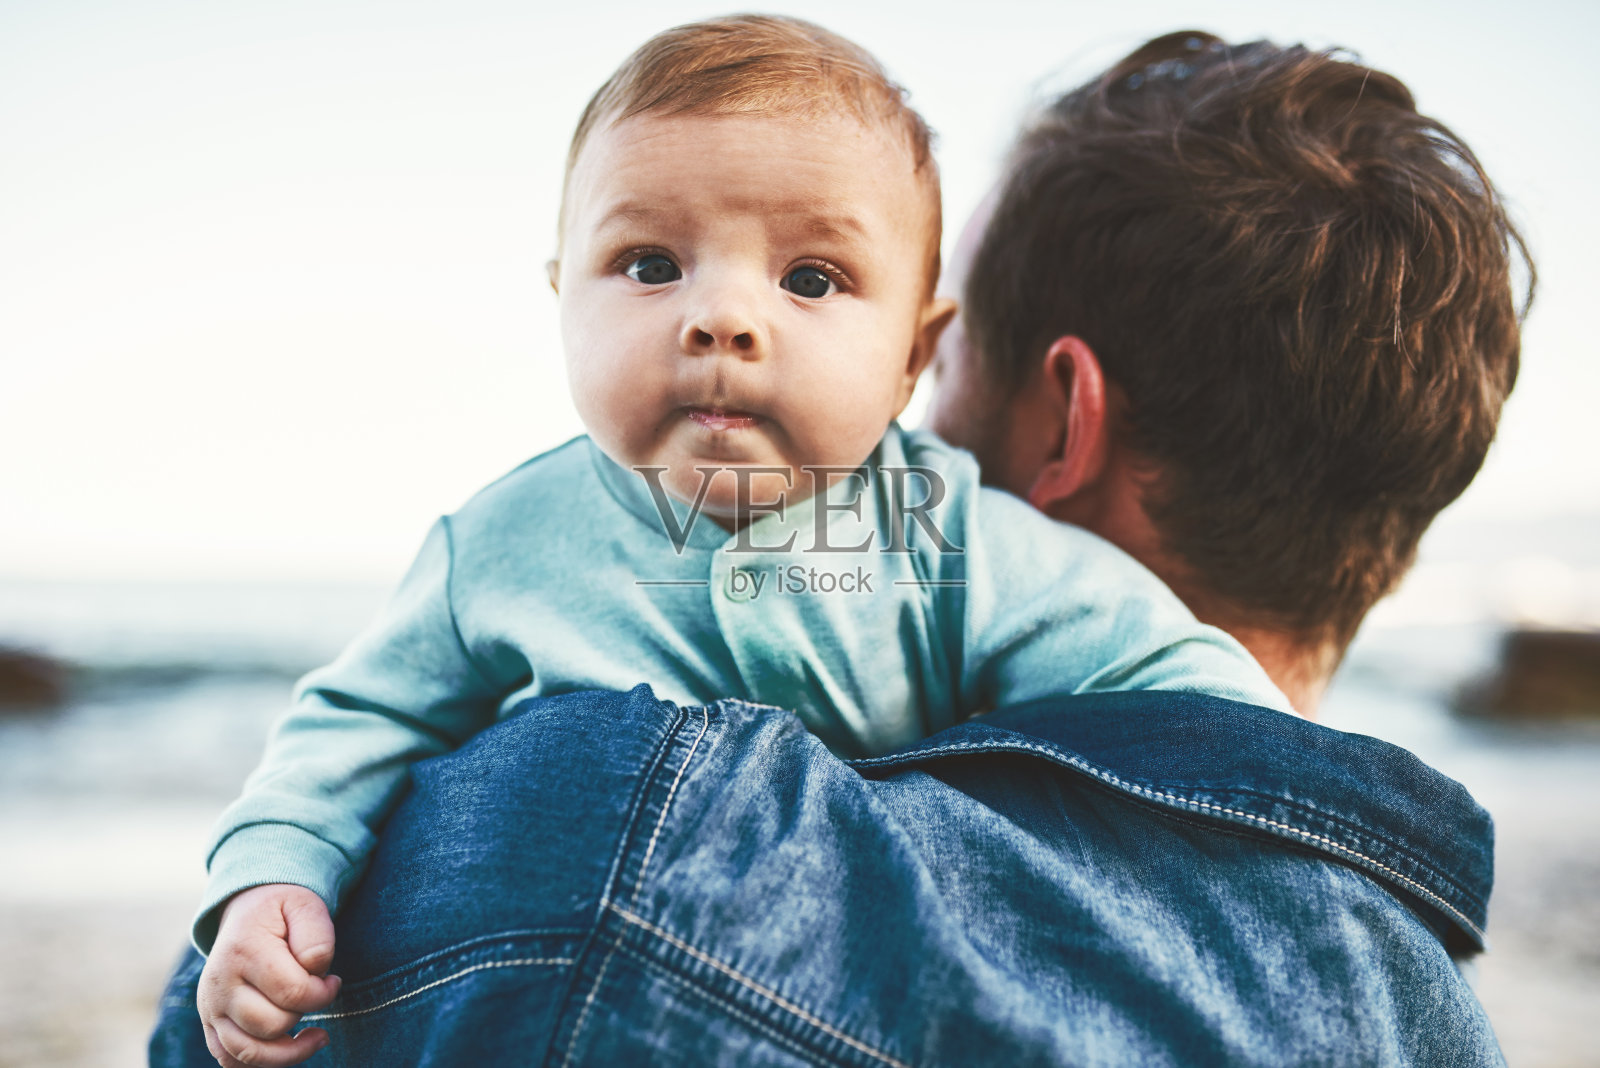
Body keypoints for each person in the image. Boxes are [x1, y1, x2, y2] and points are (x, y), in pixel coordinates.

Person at [152, 28, 1528, 1068]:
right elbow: (353, 718)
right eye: (652, 264)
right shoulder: (1430, 1011)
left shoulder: (629, 830)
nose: (727, 323)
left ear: (1062, 419)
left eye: (824, 288)